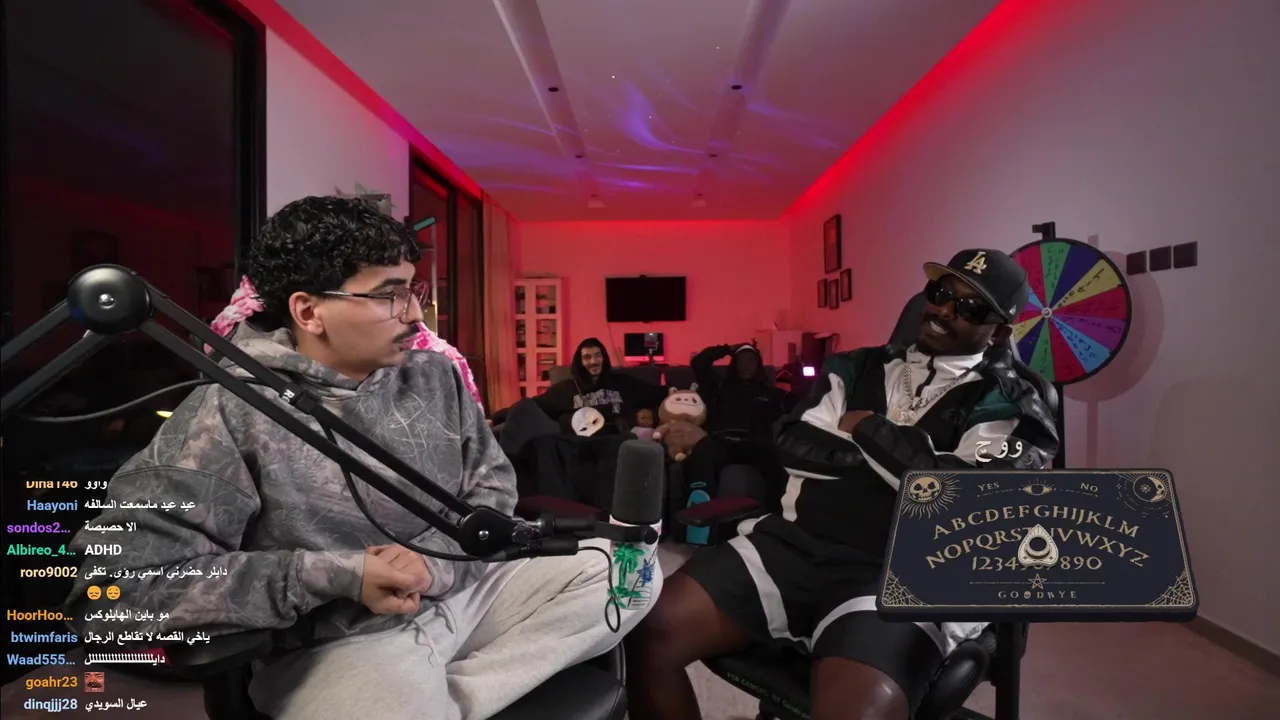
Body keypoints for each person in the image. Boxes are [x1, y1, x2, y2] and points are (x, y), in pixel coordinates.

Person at [63, 196, 660, 720]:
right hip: (338, 643)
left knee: (629, 574)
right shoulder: (227, 411)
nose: (416, 315)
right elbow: (111, 594)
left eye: (413, 291)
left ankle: (448, 699)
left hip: (465, 595)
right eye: (388, 295)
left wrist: (434, 565)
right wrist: (340, 574)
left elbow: (493, 489)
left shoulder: (437, 376)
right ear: (309, 311)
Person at [626, 248, 1059, 720]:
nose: (944, 310)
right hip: (793, 546)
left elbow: (966, 499)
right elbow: (793, 444)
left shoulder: (1011, 402)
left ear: (1000, 331)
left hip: (906, 571)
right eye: (940, 293)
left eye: (970, 307)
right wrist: (909, 470)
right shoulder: (852, 367)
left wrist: (867, 428)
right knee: (643, 635)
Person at [491, 337, 665, 433]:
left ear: (604, 358)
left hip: (615, 438)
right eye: (587, 357)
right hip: (581, 443)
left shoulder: (623, 382)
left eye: (597, 356)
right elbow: (532, 405)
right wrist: (496, 418)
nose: (593, 361)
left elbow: (657, 394)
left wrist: (673, 396)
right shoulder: (566, 389)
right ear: (580, 362)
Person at [690, 342, 785, 440]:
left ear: (758, 365)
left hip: (755, 446)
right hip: (722, 443)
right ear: (735, 364)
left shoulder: (769, 394)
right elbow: (698, 362)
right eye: (741, 361)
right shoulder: (719, 387)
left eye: (751, 361)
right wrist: (727, 349)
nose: (746, 366)